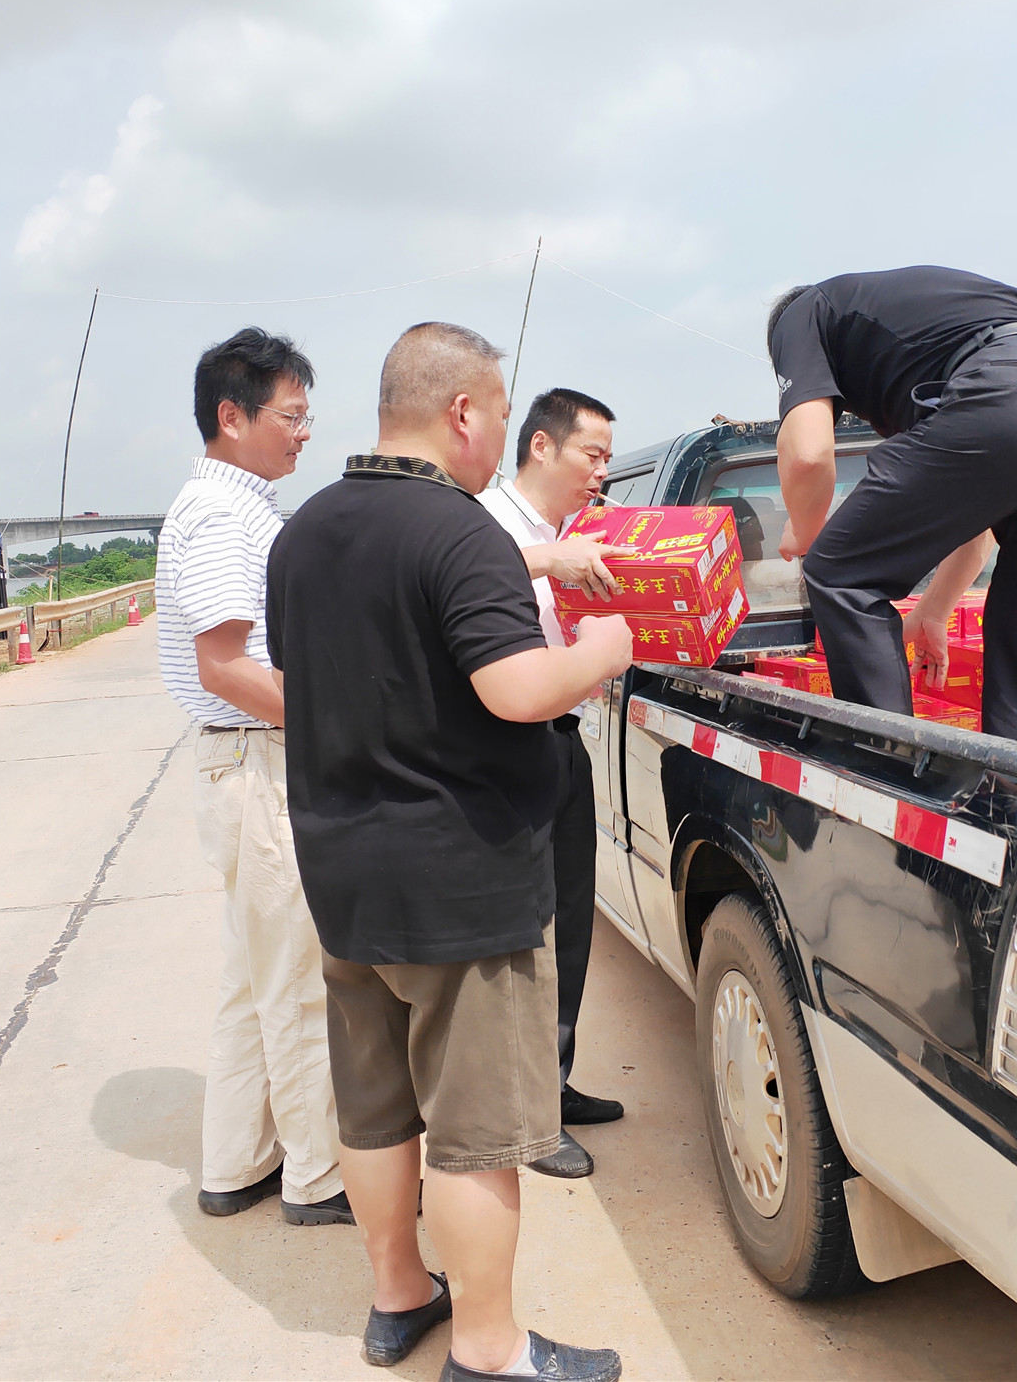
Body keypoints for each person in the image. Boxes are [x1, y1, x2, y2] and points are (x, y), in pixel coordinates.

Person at [267, 323, 633, 1381]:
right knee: (475, 1133)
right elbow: (515, 690)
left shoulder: (305, 534)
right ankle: (487, 1348)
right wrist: (599, 652)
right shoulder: (458, 532)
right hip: (459, 882)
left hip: (341, 871)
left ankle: (396, 1299)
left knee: (375, 1107)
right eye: (500, 410)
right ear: (464, 413)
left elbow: (314, 683)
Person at [768, 266, 1017, 749]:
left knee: (841, 575)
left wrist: (803, 528)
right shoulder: (924, 334)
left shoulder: (802, 313)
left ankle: (892, 779)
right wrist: (935, 609)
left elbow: (808, 454)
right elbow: (974, 506)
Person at [154, 327, 348, 1228]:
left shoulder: (237, 505)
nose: (303, 432)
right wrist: (337, 727)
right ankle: (320, 1176)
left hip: (241, 761)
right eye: (291, 415)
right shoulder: (225, 515)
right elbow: (224, 665)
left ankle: (236, 1161)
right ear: (231, 418)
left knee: (251, 977)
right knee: (297, 984)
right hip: (258, 760)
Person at [476, 389, 629, 1180]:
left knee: (571, 926)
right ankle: (526, 1120)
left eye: (609, 459)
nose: (602, 473)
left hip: (565, 739)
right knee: (526, 941)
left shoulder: (570, 533)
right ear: (541, 446)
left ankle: (555, 1082)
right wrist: (548, 561)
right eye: (592, 456)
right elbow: (462, 577)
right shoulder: (490, 525)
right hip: (508, 750)